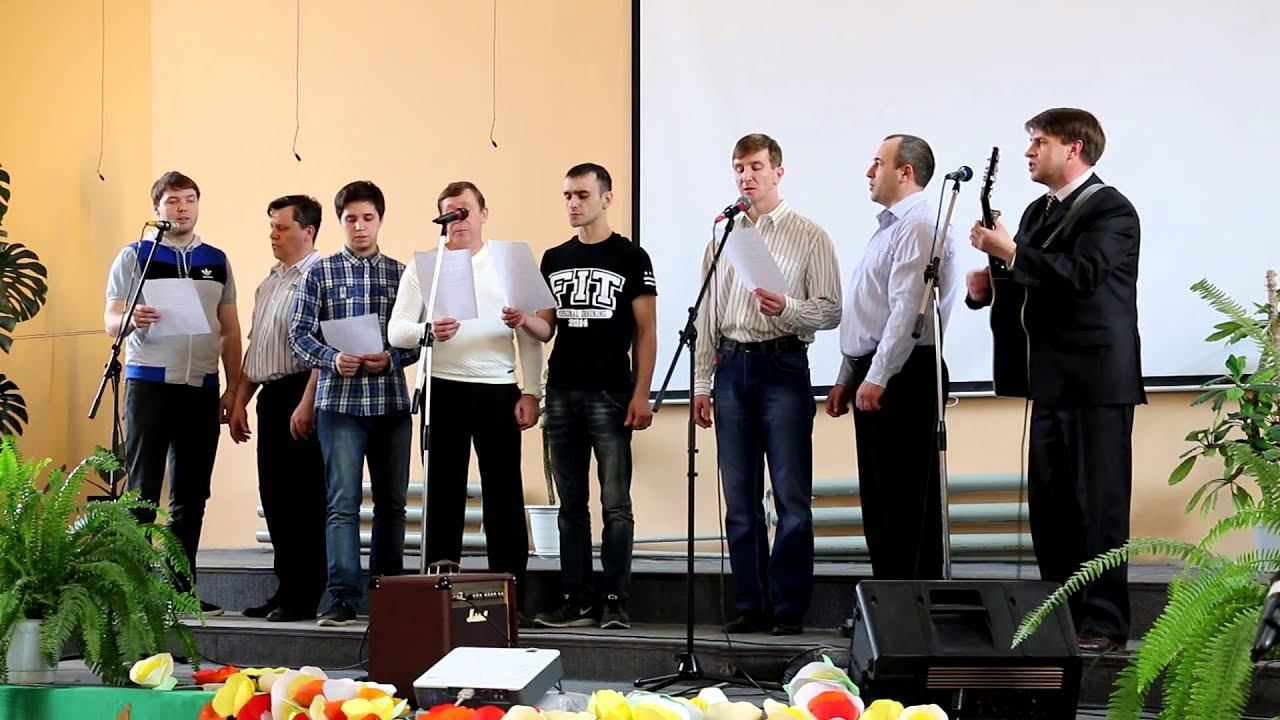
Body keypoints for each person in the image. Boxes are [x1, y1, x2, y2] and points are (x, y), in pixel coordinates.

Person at [967, 108, 1143, 653]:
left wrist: (1010, 252)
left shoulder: (1111, 209)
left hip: (1096, 383)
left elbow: (1082, 275)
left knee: (1099, 507)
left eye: (1039, 142)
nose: (1028, 152)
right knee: (1051, 509)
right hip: (1047, 379)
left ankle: (1105, 622)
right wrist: (988, 284)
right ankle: (1061, 616)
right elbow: (1031, 279)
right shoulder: (1038, 210)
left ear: (1073, 148)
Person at [692, 133, 842, 635]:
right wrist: (701, 383)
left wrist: (789, 308)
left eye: (756, 166)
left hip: (782, 365)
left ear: (778, 172)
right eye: (739, 168)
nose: (746, 176)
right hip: (731, 366)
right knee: (740, 500)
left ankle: (788, 608)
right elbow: (706, 315)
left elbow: (831, 309)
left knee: (791, 498)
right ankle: (751, 605)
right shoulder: (723, 237)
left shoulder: (810, 235)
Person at [510, 163, 657, 630]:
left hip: (610, 393)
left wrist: (641, 393)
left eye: (582, 195)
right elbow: (546, 327)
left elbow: (646, 331)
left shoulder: (631, 257)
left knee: (615, 504)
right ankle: (576, 598)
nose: (573, 204)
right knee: (570, 504)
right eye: (568, 196)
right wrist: (523, 320)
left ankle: (615, 599)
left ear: (606, 199)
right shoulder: (554, 257)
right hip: (562, 393)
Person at [388, 181, 541, 615]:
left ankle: (510, 595)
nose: (458, 221)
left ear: (483, 214)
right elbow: (396, 329)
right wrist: (427, 331)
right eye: (450, 213)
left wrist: (532, 390)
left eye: (465, 211)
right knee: (443, 491)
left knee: (503, 493)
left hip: (497, 387)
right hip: (443, 388)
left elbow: (530, 335)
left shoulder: (507, 263)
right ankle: (442, 592)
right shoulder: (428, 266)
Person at [103, 170, 240, 616]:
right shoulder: (135, 256)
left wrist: (233, 387)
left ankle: (182, 591)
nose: (182, 209)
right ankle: (136, 593)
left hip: (201, 387)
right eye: (173, 201)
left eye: (190, 200)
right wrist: (130, 320)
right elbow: (110, 319)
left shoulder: (216, 259)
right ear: (157, 208)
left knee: (191, 495)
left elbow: (230, 328)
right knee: (142, 491)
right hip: (149, 385)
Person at [827, 134, 958, 580]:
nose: (869, 172)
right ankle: (889, 600)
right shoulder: (890, 227)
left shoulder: (919, 225)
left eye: (878, 163)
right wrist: (849, 374)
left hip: (904, 373)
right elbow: (870, 311)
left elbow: (908, 311)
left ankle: (913, 604)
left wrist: (879, 374)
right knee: (882, 502)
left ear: (905, 172)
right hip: (879, 371)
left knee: (906, 502)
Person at [290, 180, 417, 627]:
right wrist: (332, 358)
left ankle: (389, 594)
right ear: (340, 222)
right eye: (350, 219)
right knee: (342, 504)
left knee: (393, 505)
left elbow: (417, 338)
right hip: (339, 404)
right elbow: (299, 335)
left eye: (367, 218)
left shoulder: (402, 274)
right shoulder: (319, 273)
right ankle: (342, 597)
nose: (359, 226)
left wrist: (393, 357)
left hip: (391, 403)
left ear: (380, 220)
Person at [228, 195, 327, 622]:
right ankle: (285, 587)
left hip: (303, 395)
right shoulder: (268, 282)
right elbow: (258, 349)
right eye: (271, 226)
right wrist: (239, 401)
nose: (273, 234)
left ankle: (305, 594)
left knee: (305, 499)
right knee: (276, 497)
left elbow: (325, 348)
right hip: (271, 395)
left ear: (309, 231)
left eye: (282, 227)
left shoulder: (321, 276)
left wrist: (307, 402)